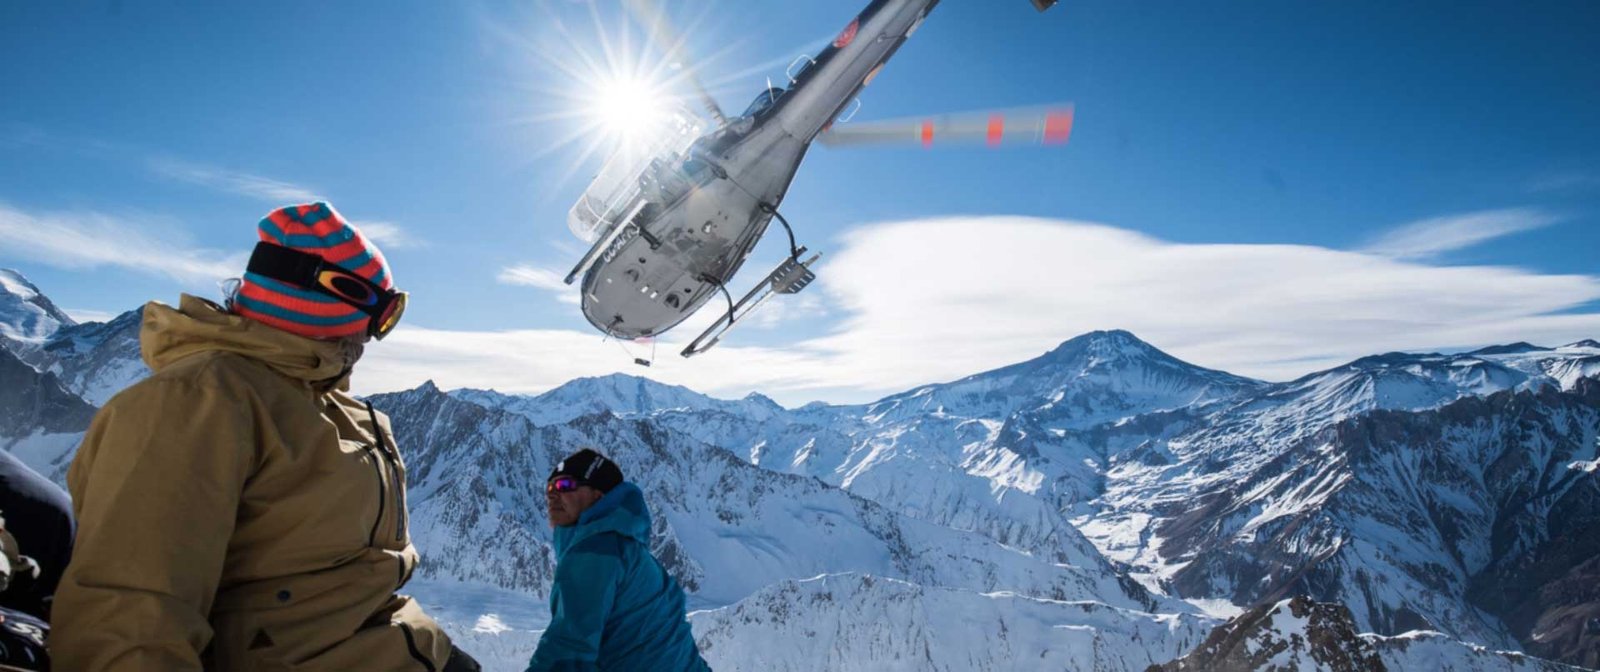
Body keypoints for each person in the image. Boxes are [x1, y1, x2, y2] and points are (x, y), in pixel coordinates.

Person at [51, 203, 478, 671]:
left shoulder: (322, 402)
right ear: (328, 303)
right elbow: (129, 614)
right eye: (381, 315)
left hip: (394, 647)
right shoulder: (195, 404)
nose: (374, 337)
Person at [527, 449, 710, 672]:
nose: (553, 495)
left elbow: (567, 651)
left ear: (598, 495)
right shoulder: (628, 550)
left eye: (565, 485)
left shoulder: (596, 551)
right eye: (549, 488)